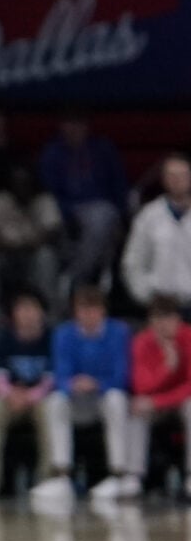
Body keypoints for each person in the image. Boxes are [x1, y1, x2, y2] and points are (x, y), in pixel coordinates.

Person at [40, 283, 132, 512]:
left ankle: (118, 473)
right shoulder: (63, 333)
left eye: (93, 309)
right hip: (77, 399)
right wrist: (72, 384)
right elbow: (59, 374)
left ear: (103, 311)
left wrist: (98, 384)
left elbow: (122, 375)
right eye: (83, 310)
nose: (88, 315)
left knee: (116, 400)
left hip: (104, 396)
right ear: (75, 312)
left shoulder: (119, 332)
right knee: (54, 403)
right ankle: (62, 475)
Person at [0, 293, 57, 497]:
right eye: (22, 309)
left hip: (39, 398)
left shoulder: (51, 339)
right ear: (13, 314)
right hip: (10, 399)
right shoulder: (3, 339)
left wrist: (30, 396)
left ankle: (46, 478)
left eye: (32, 309)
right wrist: (12, 395)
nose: (27, 315)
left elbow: (51, 379)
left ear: (42, 313)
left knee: (49, 409)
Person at [38, 116, 129, 290]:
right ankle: (81, 277)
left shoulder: (102, 149)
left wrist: (121, 217)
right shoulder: (52, 153)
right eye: (69, 123)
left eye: (79, 123)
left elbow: (119, 185)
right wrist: (67, 213)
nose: (74, 129)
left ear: (87, 126)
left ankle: (76, 277)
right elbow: (48, 191)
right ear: (61, 126)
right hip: (65, 210)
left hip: (101, 210)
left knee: (103, 216)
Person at [0, 163, 64, 321]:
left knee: (46, 256)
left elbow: (53, 233)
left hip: (32, 257)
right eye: (17, 182)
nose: (21, 186)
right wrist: (7, 244)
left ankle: (50, 314)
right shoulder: (1, 199)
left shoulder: (44, 200)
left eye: (25, 182)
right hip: (5, 255)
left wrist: (31, 243)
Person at [126, 294, 191, 499]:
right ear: (151, 322)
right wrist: (166, 368)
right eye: (158, 320)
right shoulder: (141, 343)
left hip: (179, 401)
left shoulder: (189, 338)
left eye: (169, 319)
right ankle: (134, 475)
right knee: (135, 408)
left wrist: (158, 401)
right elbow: (141, 386)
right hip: (155, 404)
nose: (164, 326)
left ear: (178, 320)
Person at [122, 154, 191, 312]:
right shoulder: (149, 216)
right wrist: (146, 295)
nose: (177, 180)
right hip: (160, 306)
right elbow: (133, 262)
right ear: (164, 179)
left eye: (182, 175)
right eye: (172, 175)